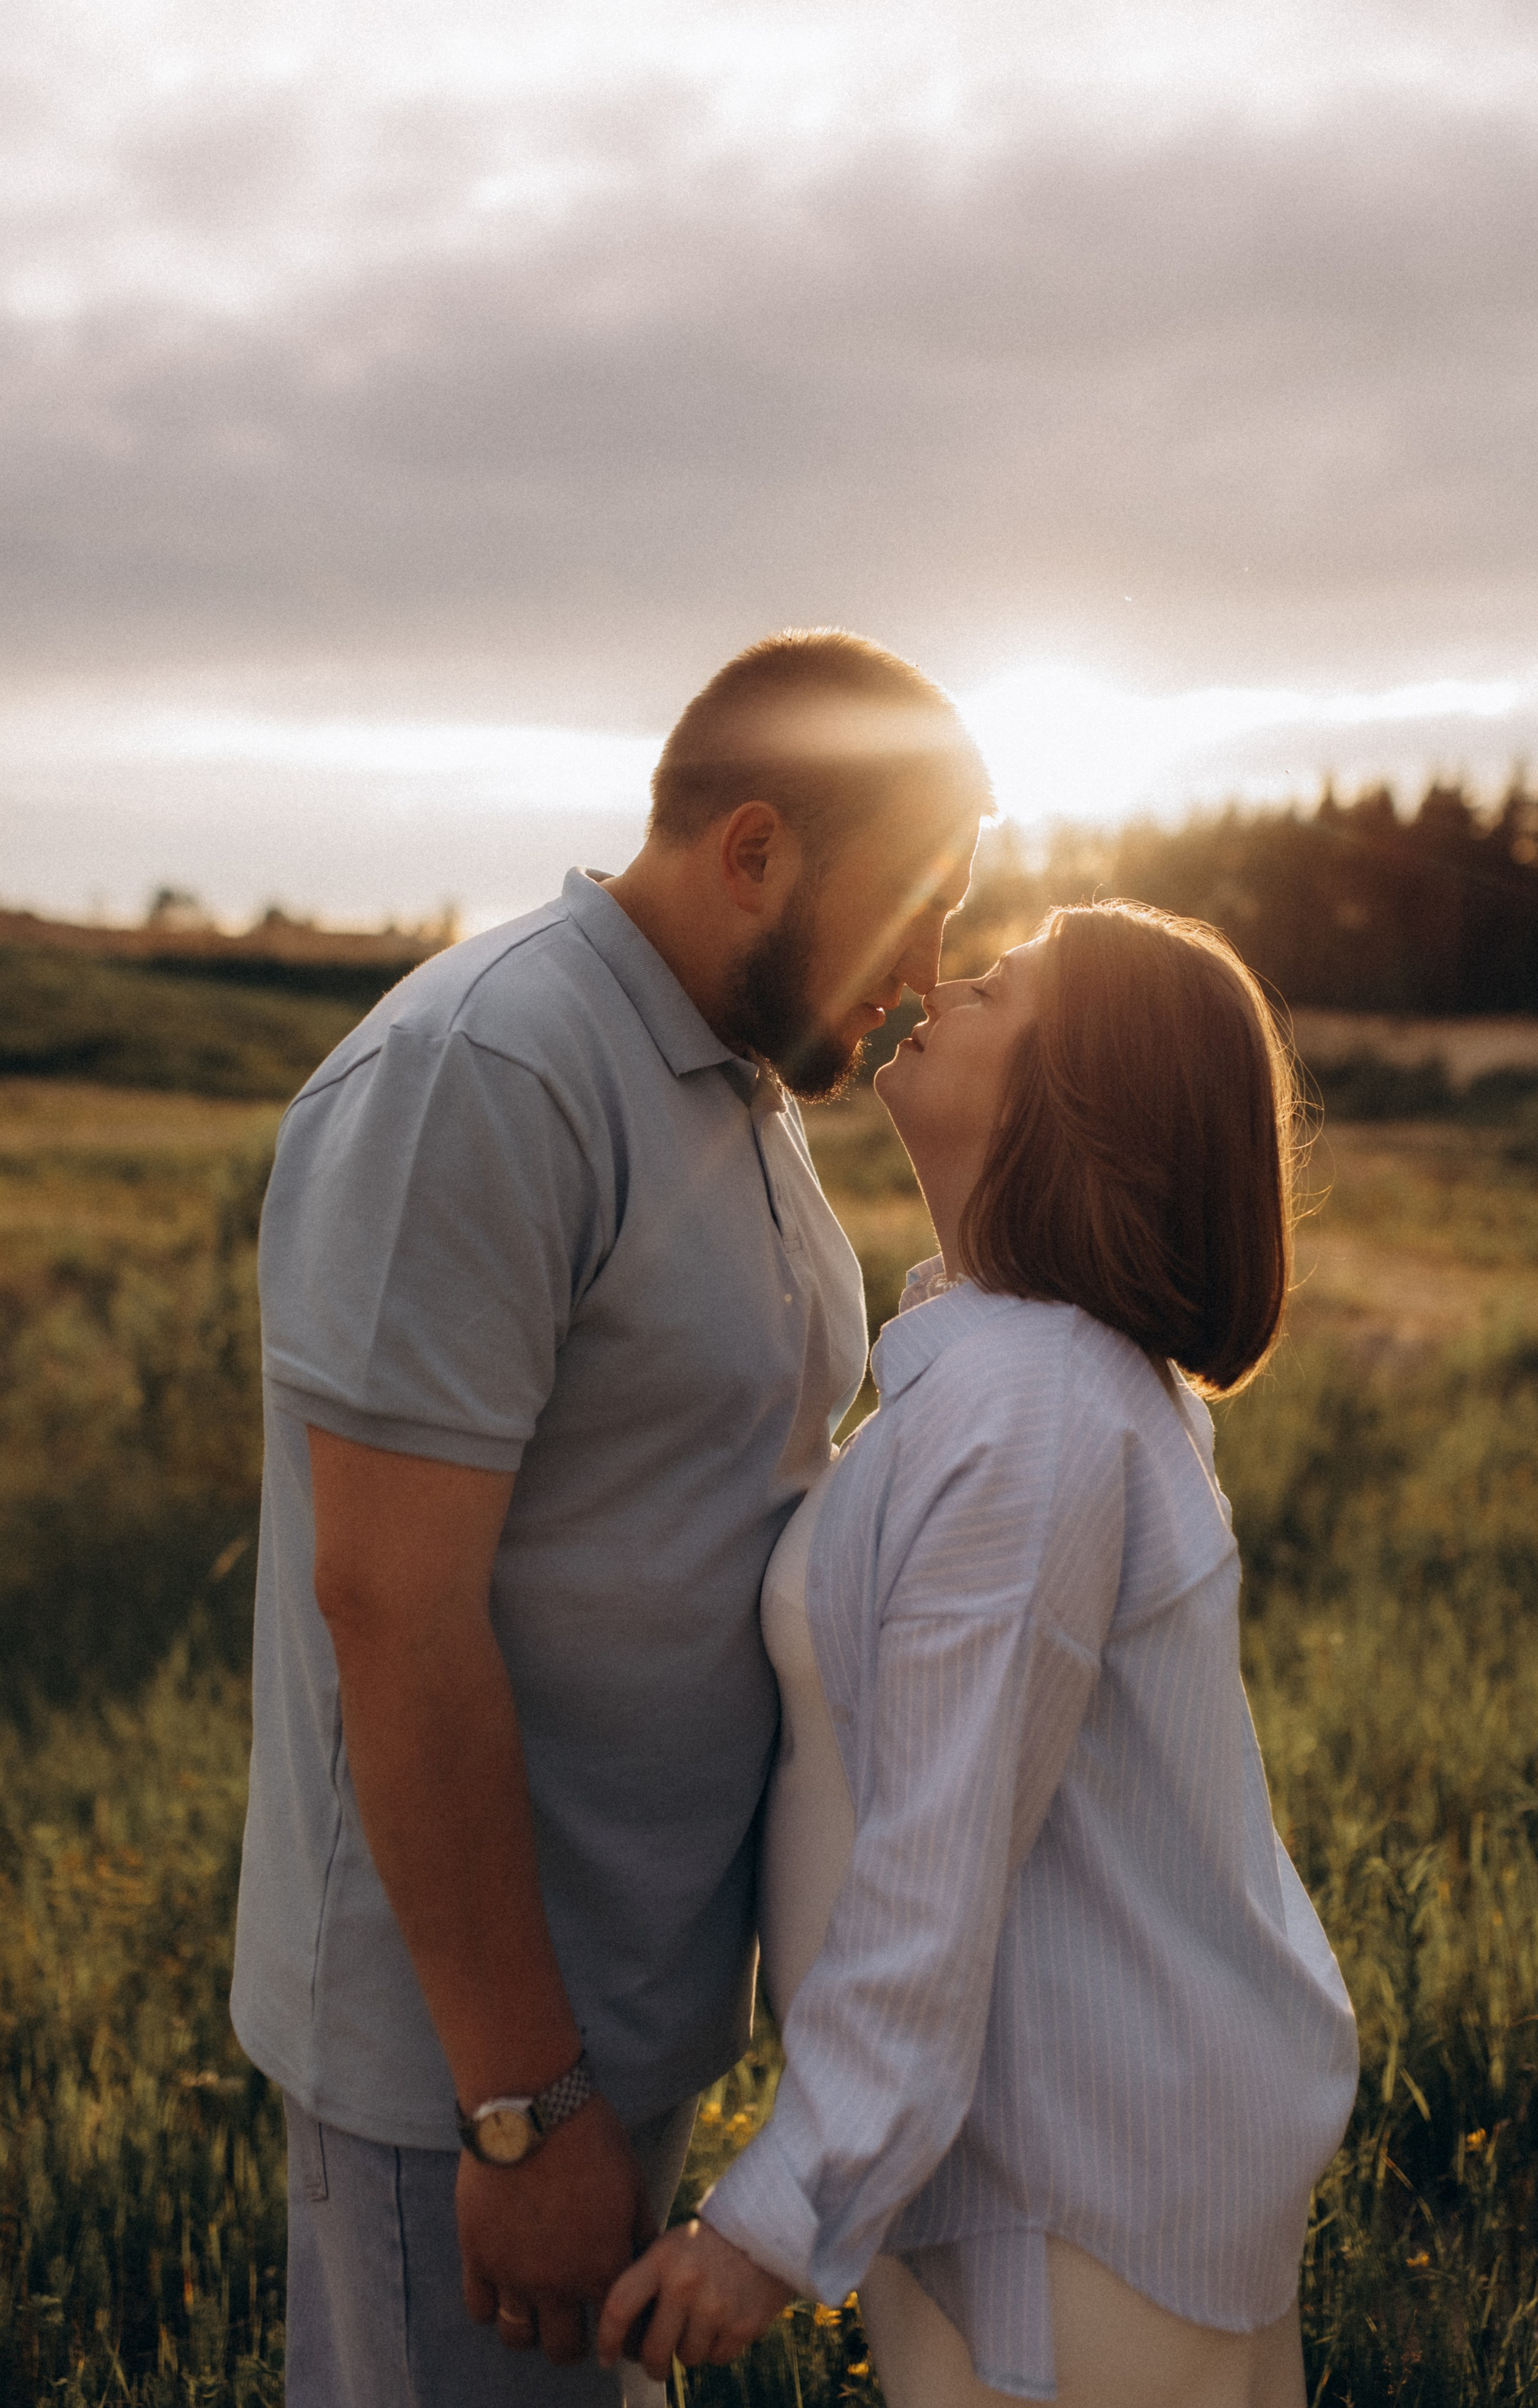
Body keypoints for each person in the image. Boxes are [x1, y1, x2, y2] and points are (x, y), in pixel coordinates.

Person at [228, 628, 988, 2408]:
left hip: (618, 2016)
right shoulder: (486, 1078)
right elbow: (390, 1608)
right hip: (470, 2070)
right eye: (915, 903)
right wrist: (521, 2109)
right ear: (753, 851)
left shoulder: (732, 1083)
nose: (931, 971)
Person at [598, 902, 1361, 2408]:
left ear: (1079, 1085)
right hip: (1032, 2170)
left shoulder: (1029, 1414)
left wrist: (770, 2221)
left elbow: (935, 1857)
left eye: (1001, 981)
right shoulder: (1007, 1375)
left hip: (1084, 2203)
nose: (943, 981)